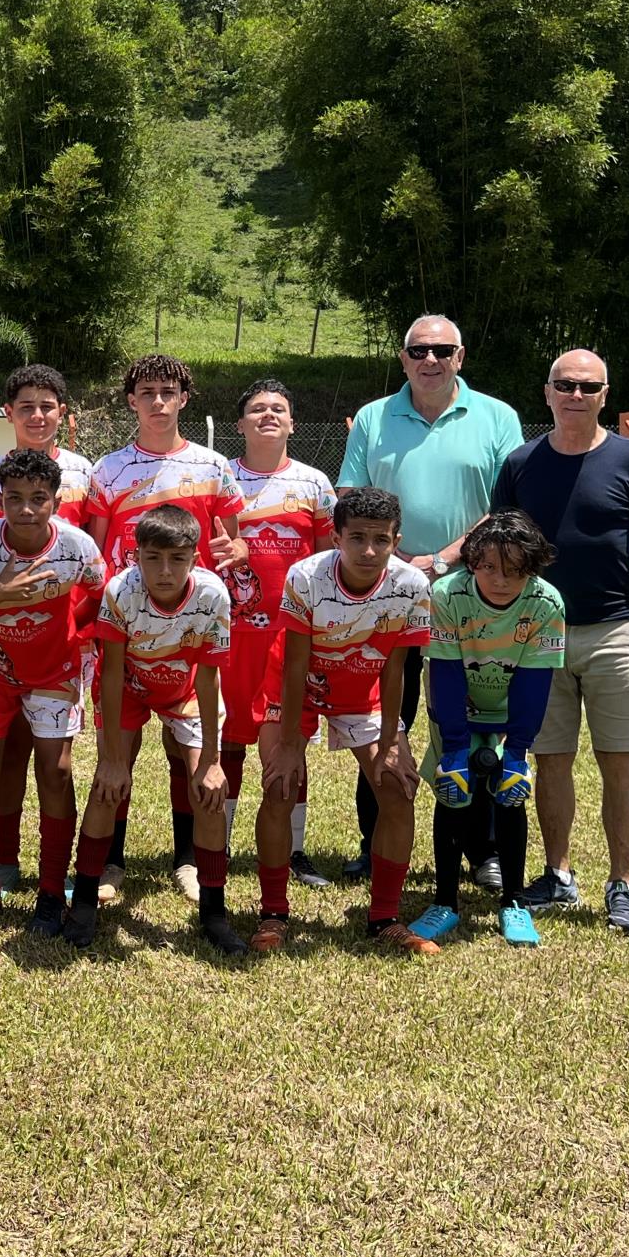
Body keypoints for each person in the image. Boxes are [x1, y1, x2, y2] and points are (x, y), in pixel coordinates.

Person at [489, 349, 629, 935]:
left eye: (587, 386)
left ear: (605, 393)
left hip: (613, 630)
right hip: (537, 635)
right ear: (546, 393)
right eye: (564, 385)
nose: (575, 395)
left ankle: (622, 886)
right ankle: (558, 874)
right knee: (550, 761)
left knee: (619, 761)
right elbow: (498, 547)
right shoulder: (520, 463)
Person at [336, 315, 521, 880]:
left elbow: (507, 508)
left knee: (475, 720)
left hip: (470, 594)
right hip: (386, 592)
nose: (431, 359)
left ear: (460, 356)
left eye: (443, 350)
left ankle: (482, 850)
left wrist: (442, 559)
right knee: (384, 721)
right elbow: (350, 497)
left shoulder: (497, 416)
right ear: (404, 357)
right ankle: (376, 843)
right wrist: (390, 560)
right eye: (420, 350)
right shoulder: (373, 417)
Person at [86, 353, 245, 904]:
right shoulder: (106, 470)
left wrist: (237, 548)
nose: (157, 401)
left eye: (167, 391)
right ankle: (109, 863)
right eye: (147, 391)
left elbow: (236, 538)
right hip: (127, 625)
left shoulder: (213, 465)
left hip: (189, 628)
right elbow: (98, 544)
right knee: (118, 750)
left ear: (183, 399)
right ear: (132, 400)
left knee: (189, 753)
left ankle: (185, 859)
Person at [0, 449, 107, 933]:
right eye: (14, 498)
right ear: (0, 499)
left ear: (55, 499)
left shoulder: (76, 547)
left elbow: (99, 600)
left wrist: (71, 632)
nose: (26, 510)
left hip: (54, 673)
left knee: (56, 772)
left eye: (38, 498)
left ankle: (51, 891)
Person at [260, 487, 434, 955]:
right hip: (297, 687)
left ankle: (384, 919)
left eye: (381, 539)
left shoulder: (411, 586)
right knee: (279, 785)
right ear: (336, 537)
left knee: (398, 791)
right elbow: (295, 663)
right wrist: (292, 740)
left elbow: (398, 667)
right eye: (357, 538)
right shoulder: (306, 576)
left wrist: (393, 739)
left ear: (397, 541)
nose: (369, 550)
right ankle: (273, 913)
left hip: (365, 690)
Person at [76, 505, 239, 953]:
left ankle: (214, 912)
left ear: (195, 557)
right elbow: (109, 673)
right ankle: (85, 903)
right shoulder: (120, 591)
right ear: (136, 556)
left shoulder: (213, 595)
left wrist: (210, 762)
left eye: (177, 559)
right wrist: (111, 758)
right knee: (106, 786)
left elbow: (209, 678)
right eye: (152, 558)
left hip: (183, 689)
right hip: (128, 686)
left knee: (208, 795)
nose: (164, 571)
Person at [408, 510, 566, 949]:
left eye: (514, 570)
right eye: (490, 567)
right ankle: (444, 902)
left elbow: (535, 685)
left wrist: (517, 753)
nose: (500, 580)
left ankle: (513, 903)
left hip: (512, 709)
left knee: (510, 793)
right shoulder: (446, 594)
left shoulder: (547, 602)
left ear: (532, 569)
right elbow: (445, 673)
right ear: (472, 561)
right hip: (455, 707)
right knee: (453, 790)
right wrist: (455, 749)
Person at [0, 364, 95, 895]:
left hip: (58, 640)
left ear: (61, 413)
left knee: (54, 760)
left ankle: (53, 875)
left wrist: (80, 640)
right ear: (9, 412)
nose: (38, 414)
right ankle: (0, 861)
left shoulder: (85, 471)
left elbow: (92, 561)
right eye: (27, 406)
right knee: (4, 755)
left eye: (48, 406)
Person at [223, 379, 335, 886]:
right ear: (241, 423)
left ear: (292, 423)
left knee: (290, 740)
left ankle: (294, 850)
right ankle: (215, 844)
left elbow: (331, 559)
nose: (268, 415)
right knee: (225, 743)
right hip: (230, 634)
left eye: (279, 409)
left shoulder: (314, 484)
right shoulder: (220, 478)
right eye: (257, 409)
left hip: (291, 637)